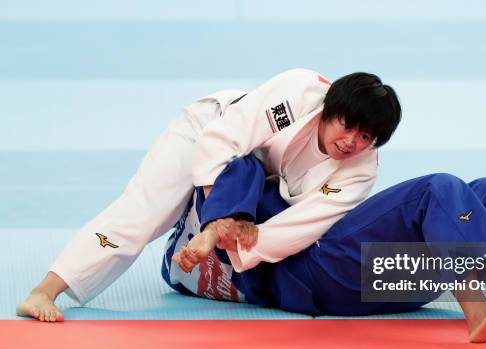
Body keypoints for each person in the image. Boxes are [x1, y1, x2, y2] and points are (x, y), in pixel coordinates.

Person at [16, 68, 402, 322]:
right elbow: (223, 139)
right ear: (329, 109)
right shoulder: (299, 93)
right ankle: (44, 291)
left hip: (251, 190)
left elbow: (305, 223)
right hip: (209, 132)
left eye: (366, 137)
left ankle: (206, 227)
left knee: (274, 217)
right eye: (346, 125)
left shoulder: (361, 170)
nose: (351, 141)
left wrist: (241, 235)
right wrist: (217, 218)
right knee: (146, 214)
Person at [168, 154, 486, 343]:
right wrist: (213, 230)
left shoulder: (181, 265)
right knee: (438, 188)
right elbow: (232, 183)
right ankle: (476, 304)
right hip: (322, 274)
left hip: (384, 278)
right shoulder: (230, 178)